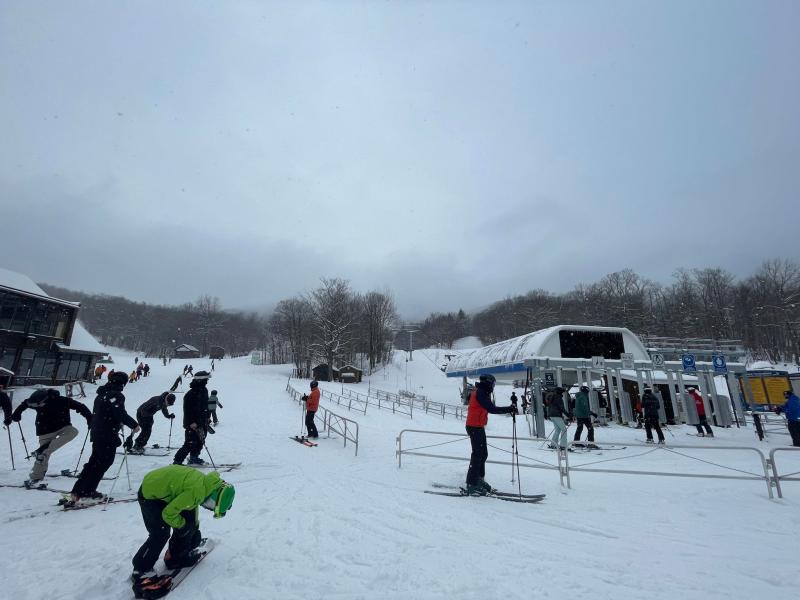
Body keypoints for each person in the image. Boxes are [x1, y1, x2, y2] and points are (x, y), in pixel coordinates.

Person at [130, 465, 236, 598]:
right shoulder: (196, 491)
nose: (208, 507)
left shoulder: (207, 484)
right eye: (211, 506)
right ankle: (141, 569)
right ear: (214, 497)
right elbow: (168, 514)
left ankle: (175, 557)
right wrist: (183, 527)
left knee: (188, 524)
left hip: (168, 491)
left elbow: (191, 506)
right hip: (150, 494)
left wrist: (194, 528)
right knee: (160, 534)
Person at [70, 371, 139, 504]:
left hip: (98, 432)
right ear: (123, 383)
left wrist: (116, 422)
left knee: (94, 462)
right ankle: (88, 492)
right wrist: (134, 425)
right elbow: (119, 412)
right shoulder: (115, 395)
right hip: (106, 433)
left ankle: (78, 490)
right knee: (103, 462)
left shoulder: (102, 394)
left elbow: (107, 412)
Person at [10, 388, 92, 486]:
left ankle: (43, 449)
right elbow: (25, 404)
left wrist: (90, 418)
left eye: (39, 404)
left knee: (73, 432)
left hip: (63, 426)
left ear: (46, 399)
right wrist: (16, 414)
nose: (38, 407)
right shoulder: (36, 400)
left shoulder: (63, 401)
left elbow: (80, 406)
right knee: (43, 455)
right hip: (44, 430)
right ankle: (36, 476)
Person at [464, 373, 517, 495]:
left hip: (478, 426)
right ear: (488, 383)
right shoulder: (480, 393)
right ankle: (472, 483)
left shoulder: (482, 392)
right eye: (493, 383)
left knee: (483, 454)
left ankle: (478, 479)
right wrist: (509, 409)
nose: (493, 386)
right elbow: (491, 408)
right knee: (477, 454)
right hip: (474, 426)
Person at [174, 371, 211, 466]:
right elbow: (187, 410)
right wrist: (190, 422)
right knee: (190, 443)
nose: (207, 381)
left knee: (200, 441)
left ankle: (194, 458)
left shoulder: (204, 390)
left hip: (202, 422)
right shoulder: (190, 394)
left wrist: (207, 417)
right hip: (192, 424)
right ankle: (177, 462)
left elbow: (205, 406)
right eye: (205, 380)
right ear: (200, 380)